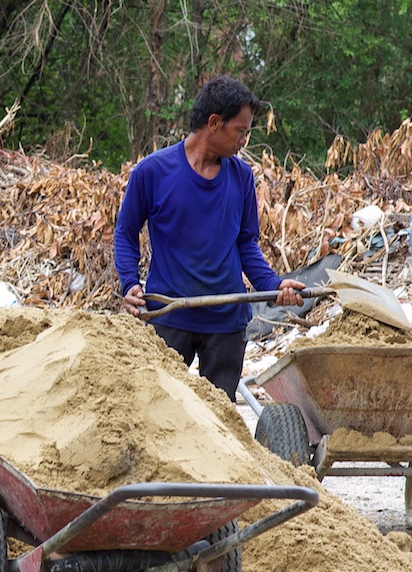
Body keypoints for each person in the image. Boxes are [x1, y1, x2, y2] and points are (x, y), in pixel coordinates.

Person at [113, 75, 305, 401]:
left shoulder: (241, 177)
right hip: (169, 316)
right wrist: (130, 283)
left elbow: (246, 244)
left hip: (226, 320)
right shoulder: (153, 172)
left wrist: (274, 286)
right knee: (158, 408)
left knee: (220, 418)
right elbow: (125, 233)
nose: (245, 140)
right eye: (241, 131)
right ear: (214, 123)